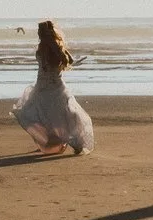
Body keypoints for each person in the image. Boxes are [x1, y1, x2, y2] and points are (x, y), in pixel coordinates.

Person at [12, 20, 94, 155]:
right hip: (43, 85)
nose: (38, 34)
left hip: (53, 85)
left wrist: (56, 53)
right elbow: (67, 61)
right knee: (42, 114)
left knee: (56, 115)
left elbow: (69, 61)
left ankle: (73, 142)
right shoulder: (44, 46)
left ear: (46, 32)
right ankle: (48, 141)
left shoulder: (52, 47)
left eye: (40, 31)